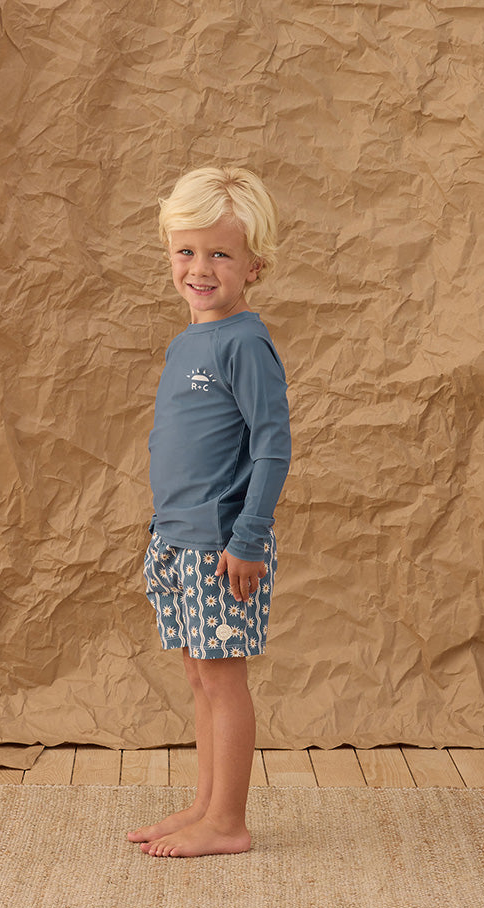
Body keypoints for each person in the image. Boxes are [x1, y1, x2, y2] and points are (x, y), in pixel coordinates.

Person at [126, 166, 291, 858]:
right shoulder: (186, 340)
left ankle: (229, 822)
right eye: (186, 251)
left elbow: (272, 445)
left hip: (224, 547)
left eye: (220, 253)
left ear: (253, 266)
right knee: (199, 674)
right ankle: (205, 803)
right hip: (179, 539)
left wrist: (248, 537)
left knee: (224, 680)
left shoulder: (245, 343)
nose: (200, 268)